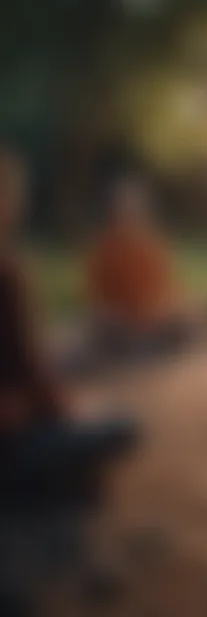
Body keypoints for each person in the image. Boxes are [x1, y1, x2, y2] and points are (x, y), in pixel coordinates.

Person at [0, 149, 136, 505]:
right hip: (14, 436)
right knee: (123, 425)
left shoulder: (144, 245)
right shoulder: (10, 272)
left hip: (20, 412)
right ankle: (39, 482)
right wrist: (66, 407)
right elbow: (32, 374)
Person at [86, 178, 190, 362]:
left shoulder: (153, 243)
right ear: (115, 212)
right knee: (105, 324)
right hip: (120, 321)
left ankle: (141, 345)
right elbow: (98, 296)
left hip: (150, 318)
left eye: (135, 207)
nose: (130, 213)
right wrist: (111, 313)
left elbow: (166, 287)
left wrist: (163, 310)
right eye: (125, 208)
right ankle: (137, 346)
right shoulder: (106, 246)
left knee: (183, 317)